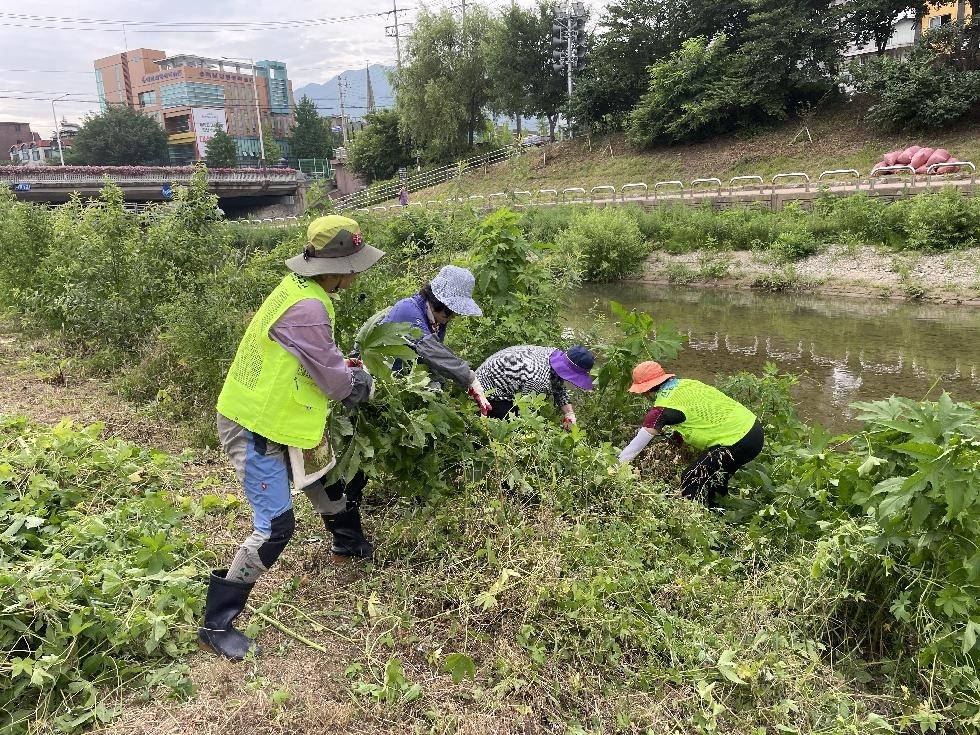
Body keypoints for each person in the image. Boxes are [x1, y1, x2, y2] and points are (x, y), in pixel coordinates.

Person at [200, 215, 384, 661]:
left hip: (291, 417)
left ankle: (348, 544)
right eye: (354, 265)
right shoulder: (310, 307)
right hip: (257, 425)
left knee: (326, 478)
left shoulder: (299, 290)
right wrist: (364, 383)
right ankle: (216, 622)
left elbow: (315, 356)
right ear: (336, 266)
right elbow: (338, 386)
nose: (357, 274)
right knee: (276, 527)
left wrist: (342, 365)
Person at [618, 361, 764, 506]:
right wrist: (678, 435)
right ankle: (720, 513)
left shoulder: (661, 410)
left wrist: (618, 466)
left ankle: (695, 517)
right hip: (753, 428)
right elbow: (697, 410)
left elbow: (636, 445)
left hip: (738, 440)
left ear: (645, 391)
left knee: (690, 477)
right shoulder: (686, 384)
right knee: (715, 480)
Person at [381, 265, 490, 412]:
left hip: (404, 385)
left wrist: (439, 387)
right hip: (382, 382)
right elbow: (432, 351)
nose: (452, 316)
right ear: (437, 301)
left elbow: (432, 363)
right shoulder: (408, 309)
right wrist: (470, 377)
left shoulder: (437, 321)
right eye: (450, 311)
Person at [474, 345, 595, 427]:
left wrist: (569, 414)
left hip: (498, 375)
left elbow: (558, 385)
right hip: (487, 390)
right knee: (511, 427)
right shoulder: (538, 380)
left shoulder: (553, 356)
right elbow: (526, 410)